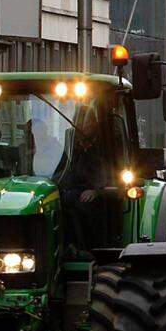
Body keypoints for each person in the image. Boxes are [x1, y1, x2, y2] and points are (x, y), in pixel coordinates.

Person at [58, 105, 107, 254]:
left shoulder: (103, 143)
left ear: (94, 123)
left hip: (94, 188)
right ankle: (66, 245)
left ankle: (88, 248)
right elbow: (66, 166)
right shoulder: (73, 142)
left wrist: (96, 190)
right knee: (60, 200)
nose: (82, 126)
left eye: (86, 122)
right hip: (74, 186)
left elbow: (106, 169)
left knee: (81, 204)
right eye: (78, 122)